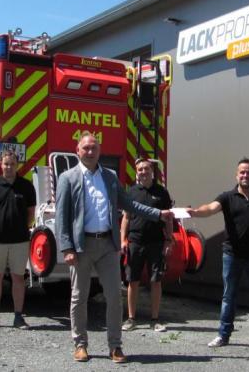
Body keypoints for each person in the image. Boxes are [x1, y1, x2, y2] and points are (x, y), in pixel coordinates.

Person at [56, 132, 174, 363]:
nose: (90, 152)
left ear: (100, 151)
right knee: (79, 297)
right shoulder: (67, 178)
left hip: (107, 245)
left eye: (94, 148)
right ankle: (80, 344)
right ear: (77, 151)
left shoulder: (110, 177)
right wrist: (67, 247)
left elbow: (129, 204)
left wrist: (158, 214)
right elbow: (62, 216)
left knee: (113, 296)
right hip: (81, 246)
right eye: (86, 148)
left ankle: (115, 346)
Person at [187, 157, 249, 353]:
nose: (245, 175)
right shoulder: (227, 197)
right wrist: (194, 211)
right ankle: (223, 335)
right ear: (236, 175)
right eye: (242, 172)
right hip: (232, 255)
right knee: (229, 296)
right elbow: (210, 208)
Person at [0, 151, 36, 330]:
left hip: (19, 241)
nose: (9, 167)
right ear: (0, 165)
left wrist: (21, 229)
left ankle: (18, 317)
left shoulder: (26, 187)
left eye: (12, 163)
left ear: (17, 164)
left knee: (18, 278)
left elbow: (31, 214)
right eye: (6, 164)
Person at [120, 158, 174, 333]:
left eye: (146, 169)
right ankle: (131, 318)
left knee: (155, 281)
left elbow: (168, 218)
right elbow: (126, 218)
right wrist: (123, 240)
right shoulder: (131, 191)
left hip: (156, 242)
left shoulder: (162, 193)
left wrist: (168, 239)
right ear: (137, 172)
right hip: (135, 241)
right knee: (132, 280)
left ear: (152, 171)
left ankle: (155, 319)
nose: (143, 172)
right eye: (140, 169)